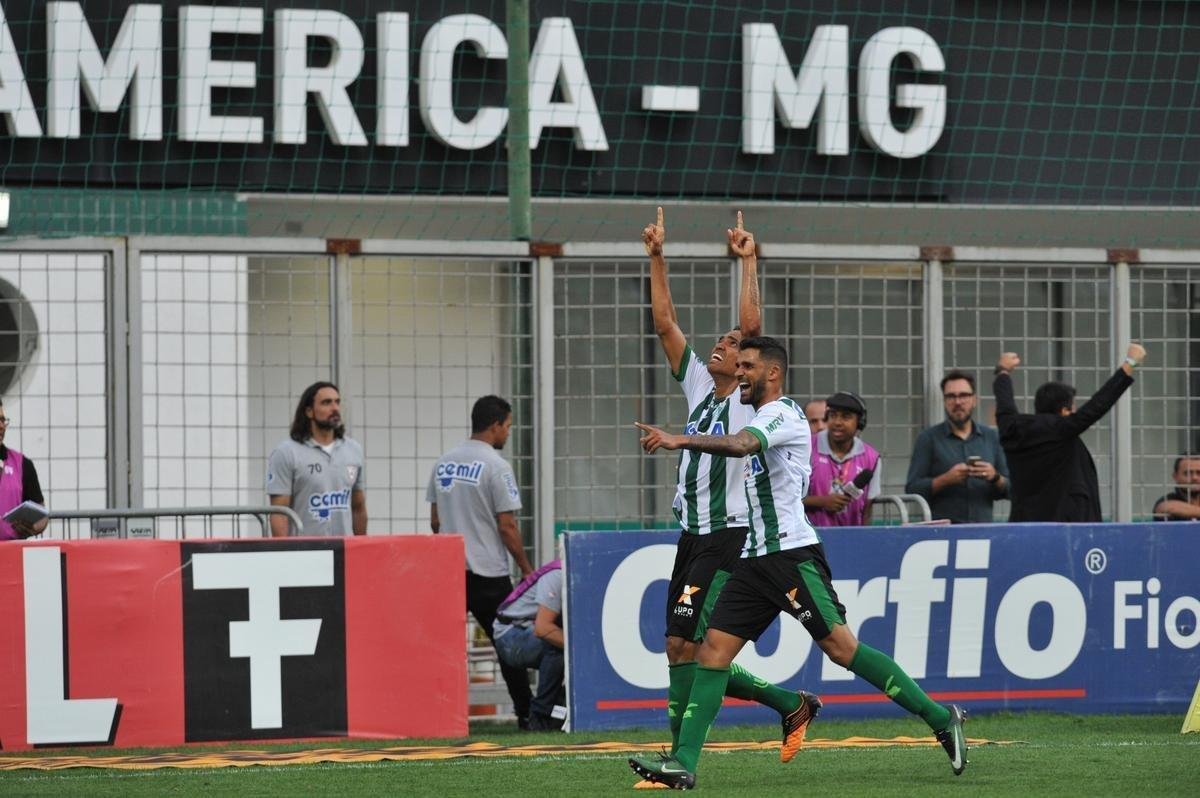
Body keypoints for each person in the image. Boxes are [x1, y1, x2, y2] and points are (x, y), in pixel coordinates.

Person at [631, 337, 967, 789]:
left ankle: (941, 717)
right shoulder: (752, 406)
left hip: (790, 556)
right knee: (711, 653)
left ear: (771, 372)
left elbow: (742, 444)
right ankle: (684, 763)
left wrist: (680, 439)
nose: (740, 372)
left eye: (747, 365)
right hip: (752, 558)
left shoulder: (783, 414)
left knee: (842, 650)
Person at [639, 207, 819, 779]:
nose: (722, 345)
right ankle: (790, 704)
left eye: (733, 345)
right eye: (719, 343)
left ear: (746, 365)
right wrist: (657, 256)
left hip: (732, 535)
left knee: (699, 650)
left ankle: (679, 760)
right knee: (676, 649)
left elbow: (752, 326)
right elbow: (666, 324)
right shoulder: (698, 384)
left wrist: (748, 261)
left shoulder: (748, 399)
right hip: (692, 533)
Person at [427, 394, 536, 727]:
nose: (508, 433)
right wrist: (528, 570)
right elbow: (507, 525)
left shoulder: (443, 462)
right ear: (495, 425)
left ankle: (437, 717)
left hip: (450, 571)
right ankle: (526, 713)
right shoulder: (497, 467)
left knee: (442, 647)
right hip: (489, 572)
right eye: (508, 426)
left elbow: (435, 521)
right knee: (508, 645)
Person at [994, 344, 1146, 522]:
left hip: (1024, 527)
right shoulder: (1062, 429)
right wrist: (1130, 363)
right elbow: (1098, 404)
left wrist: (1002, 372)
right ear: (1065, 411)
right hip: (1067, 530)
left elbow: (1005, 405)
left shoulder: (1011, 429)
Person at [905, 371, 1010, 523]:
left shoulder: (991, 437)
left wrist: (994, 477)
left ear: (974, 400)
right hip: (943, 534)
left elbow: (1011, 489)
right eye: (951, 396)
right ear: (944, 401)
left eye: (963, 395)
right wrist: (945, 479)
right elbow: (912, 489)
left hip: (983, 532)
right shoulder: (928, 438)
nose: (958, 402)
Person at [267, 381, 366, 537]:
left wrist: (362, 548)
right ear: (309, 411)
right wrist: (285, 554)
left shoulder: (354, 450)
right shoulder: (286, 452)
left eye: (337, 402)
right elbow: (279, 513)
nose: (334, 408)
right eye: (326, 403)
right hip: (306, 553)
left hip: (344, 551)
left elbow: (358, 507)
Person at [493, 560, 565, 731]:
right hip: (510, 635)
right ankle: (540, 716)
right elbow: (543, 628)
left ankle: (558, 710)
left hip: (524, 629)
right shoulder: (558, 574)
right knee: (558, 646)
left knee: (566, 647)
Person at [804, 391, 882, 527]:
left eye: (846, 417)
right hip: (810, 541)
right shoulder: (806, 447)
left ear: (860, 422)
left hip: (852, 540)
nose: (837, 422)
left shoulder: (872, 458)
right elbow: (785, 499)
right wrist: (822, 502)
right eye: (833, 415)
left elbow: (867, 510)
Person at [0, 402, 47, 540]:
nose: (1, 426)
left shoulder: (22, 464)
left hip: (13, 553)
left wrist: (32, 527)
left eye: (3, 420)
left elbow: (42, 514)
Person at [1151, 456, 1200, 520]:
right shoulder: (1168, 500)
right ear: (1175, 476)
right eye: (1187, 473)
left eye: (1199, 473)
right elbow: (1163, 508)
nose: (1194, 478)